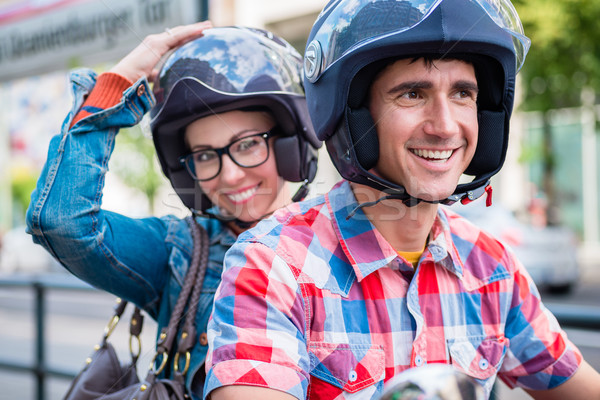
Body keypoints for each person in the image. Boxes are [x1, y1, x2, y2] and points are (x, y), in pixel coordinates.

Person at [204, 0, 600, 399]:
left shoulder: (491, 268)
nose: (445, 127)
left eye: (463, 93)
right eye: (412, 94)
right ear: (352, 115)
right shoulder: (274, 265)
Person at [25, 22, 320, 399]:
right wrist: (116, 86)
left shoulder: (340, 242)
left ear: (290, 145)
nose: (229, 175)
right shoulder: (177, 252)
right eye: (205, 155)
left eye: (247, 145)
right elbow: (61, 221)